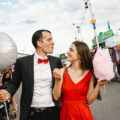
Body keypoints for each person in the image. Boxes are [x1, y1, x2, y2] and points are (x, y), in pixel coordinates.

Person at [0, 29, 62, 120]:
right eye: (49, 40)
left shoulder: (56, 61)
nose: (53, 42)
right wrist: (8, 92)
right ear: (39, 43)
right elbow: (14, 82)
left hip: (53, 113)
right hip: (31, 114)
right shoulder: (23, 62)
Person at [53, 41, 108, 120]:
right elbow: (55, 97)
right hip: (66, 114)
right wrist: (57, 81)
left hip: (83, 114)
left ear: (80, 55)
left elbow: (89, 100)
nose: (67, 52)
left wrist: (99, 85)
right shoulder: (62, 71)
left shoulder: (90, 74)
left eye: (71, 50)